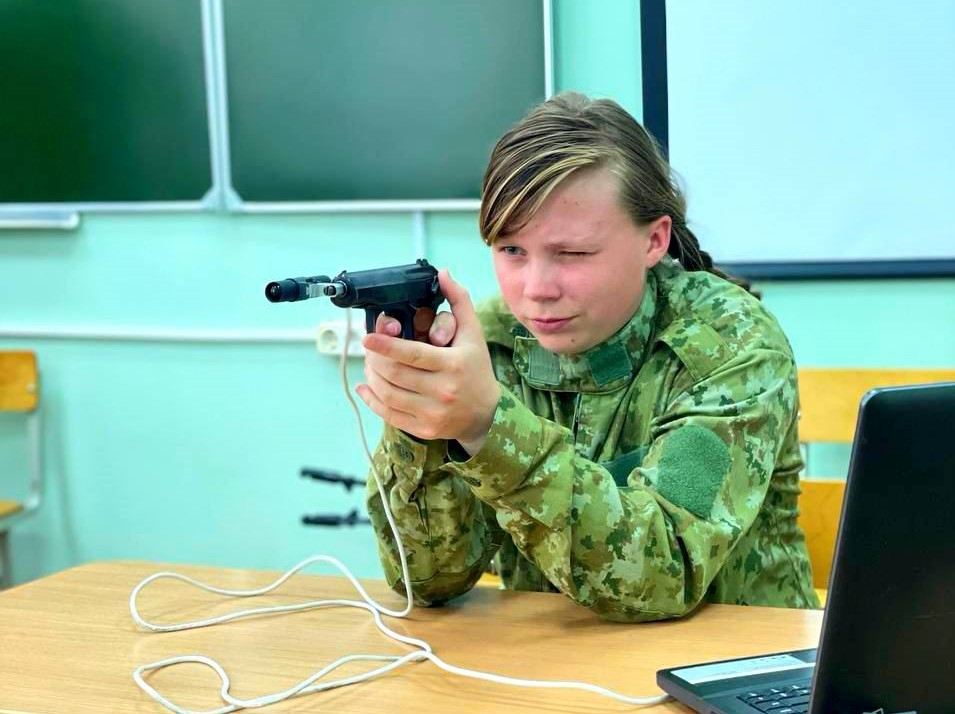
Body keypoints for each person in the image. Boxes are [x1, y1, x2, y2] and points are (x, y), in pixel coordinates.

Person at [356, 92, 819, 622]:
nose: (537, 289)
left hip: (736, 678)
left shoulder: (731, 344)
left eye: (572, 253)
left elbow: (659, 573)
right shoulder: (489, 344)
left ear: (654, 240)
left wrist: (488, 428)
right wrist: (422, 421)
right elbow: (428, 580)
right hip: (553, 675)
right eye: (512, 251)